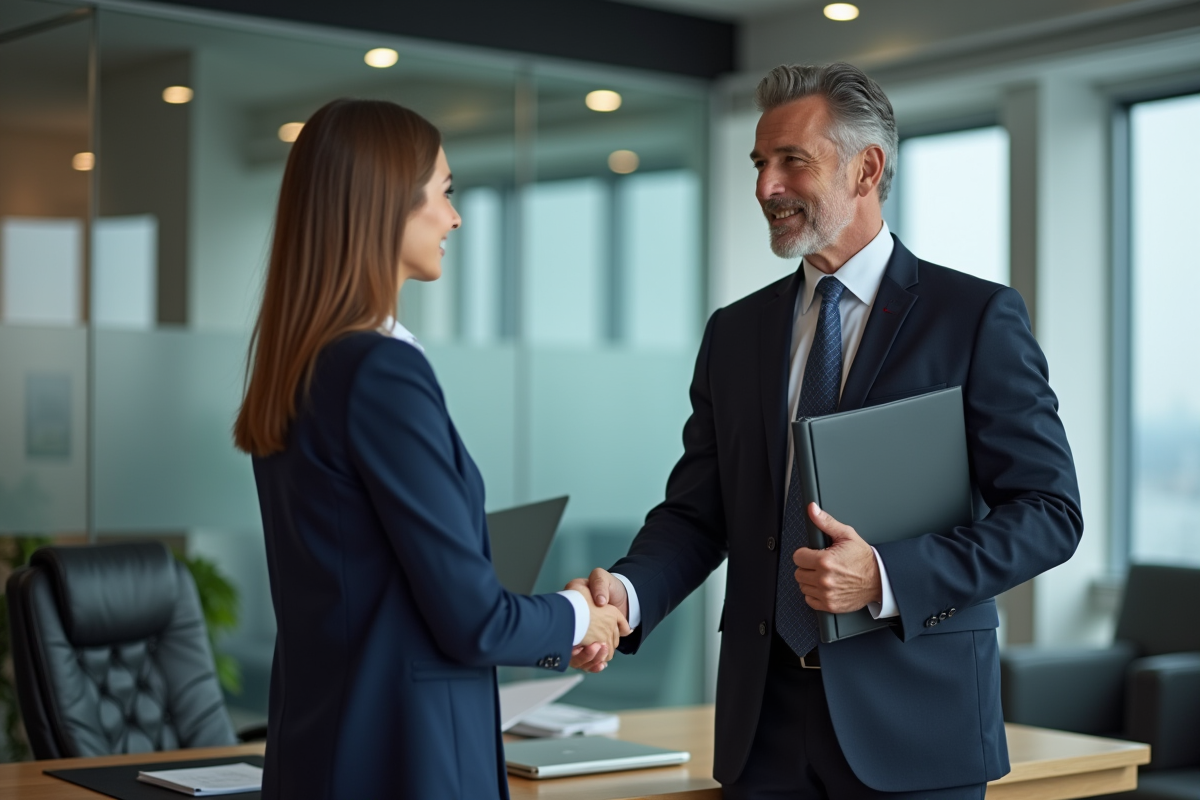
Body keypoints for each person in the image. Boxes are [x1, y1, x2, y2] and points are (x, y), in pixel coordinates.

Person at [567, 63, 1082, 799]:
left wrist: (886, 576)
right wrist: (625, 593)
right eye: (759, 163)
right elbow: (698, 513)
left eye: (791, 162)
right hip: (762, 727)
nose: (764, 187)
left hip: (916, 727)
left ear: (866, 168)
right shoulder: (735, 333)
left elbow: (1049, 515)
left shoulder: (974, 319)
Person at [233, 98, 629, 800]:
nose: (455, 218)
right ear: (385, 205)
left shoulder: (303, 366)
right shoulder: (379, 371)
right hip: (402, 765)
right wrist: (576, 615)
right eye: (444, 194)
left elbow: (376, 585)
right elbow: (472, 621)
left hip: (325, 755)